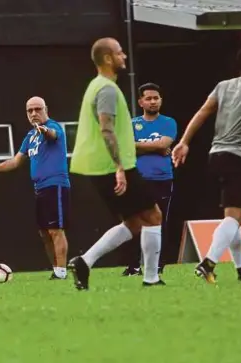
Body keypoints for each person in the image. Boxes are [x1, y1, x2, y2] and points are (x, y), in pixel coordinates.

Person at [172, 43, 241, 284]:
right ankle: (208, 263)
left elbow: (202, 113)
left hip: (216, 156)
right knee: (234, 218)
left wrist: (184, 142)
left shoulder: (223, 86)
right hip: (237, 157)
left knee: (233, 216)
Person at [67, 37, 165, 290]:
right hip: (112, 167)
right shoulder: (107, 89)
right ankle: (151, 279)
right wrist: (120, 168)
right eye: (120, 53)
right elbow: (106, 129)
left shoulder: (96, 85)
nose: (125, 57)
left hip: (99, 167)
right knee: (153, 215)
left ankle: (84, 262)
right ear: (108, 58)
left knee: (133, 222)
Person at [0, 97, 70, 280]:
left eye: (37, 109)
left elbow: (52, 135)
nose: (34, 113)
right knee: (44, 232)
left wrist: (44, 130)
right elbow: (16, 161)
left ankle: (62, 272)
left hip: (55, 184)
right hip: (39, 187)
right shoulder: (30, 137)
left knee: (56, 229)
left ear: (45, 109)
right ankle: (56, 269)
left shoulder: (53, 126)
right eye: (29, 111)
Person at [122, 83, 177, 276]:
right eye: (148, 98)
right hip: (139, 179)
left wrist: (141, 145)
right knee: (136, 222)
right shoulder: (132, 123)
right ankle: (133, 266)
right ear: (141, 101)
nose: (153, 102)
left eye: (156, 98)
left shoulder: (169, 122)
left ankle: (158, 265)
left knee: (160, 222)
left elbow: (166, 143)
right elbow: (127, 146)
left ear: (161, 100)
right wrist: (157, 147)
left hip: (162, 179)